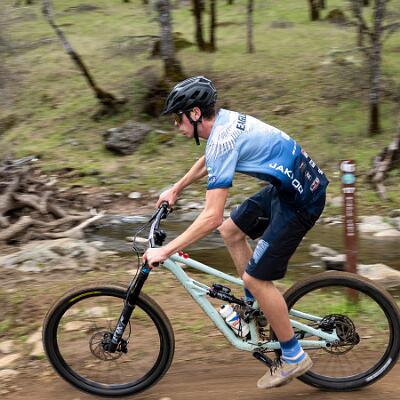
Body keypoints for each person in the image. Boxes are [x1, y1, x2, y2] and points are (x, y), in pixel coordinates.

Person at [143, 76, 329, 389]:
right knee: (231, 231)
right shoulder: (222, 124)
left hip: (301, 200)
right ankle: (254, 310)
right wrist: (176, 188)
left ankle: (293, 356)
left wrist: (165, 250)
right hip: (289, 189)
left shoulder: (222, 139)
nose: (176, 124)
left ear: (196, 114)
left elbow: (211, 216)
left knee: (255, 278)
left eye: (178, 117)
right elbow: (209, 160)